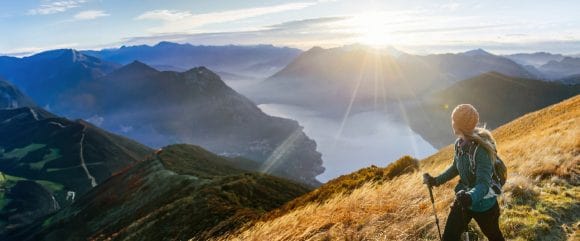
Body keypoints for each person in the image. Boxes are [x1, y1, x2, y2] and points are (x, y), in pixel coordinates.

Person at [423, 104, 505, 241]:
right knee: (449, 238)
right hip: (463, 200)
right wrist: (435, 181)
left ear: (457, 125)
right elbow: (455, 167)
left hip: (484, 206)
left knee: (495, 237)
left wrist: (470, 197)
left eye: (453, 120)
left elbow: (483, 185)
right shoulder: (459, 144)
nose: (452, 122)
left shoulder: (481, 151)